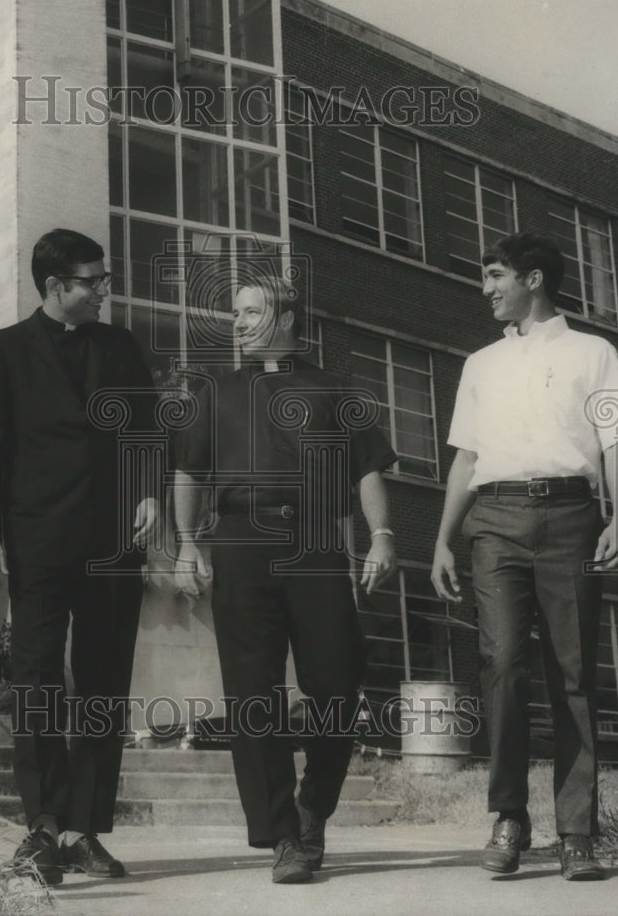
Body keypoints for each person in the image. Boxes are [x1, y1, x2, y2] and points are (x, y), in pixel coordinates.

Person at [430, 232, 618, 881]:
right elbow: (466, 456)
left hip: (572, 519)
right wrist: (442, 537)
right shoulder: (481, 364)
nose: (486, 288)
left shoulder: (593, 352)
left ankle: (578, 831)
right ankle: (509, 817)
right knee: (500, 665)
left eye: (495, 275)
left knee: (573, 671)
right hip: (494, 522)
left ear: (534, 280)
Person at [172, 274, 397, 884]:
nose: (239, 323)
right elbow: (189, 472)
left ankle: (312, 808)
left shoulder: (333, 387)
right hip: (242, 540)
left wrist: (381, 535)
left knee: (336, 682)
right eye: (235, 314)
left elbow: (367, 469)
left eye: (251, 312)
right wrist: (188, 542)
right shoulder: (213, 390)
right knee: (253, 693)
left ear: (289, 317)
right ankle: (283, 836)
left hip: (317, 541)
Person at [0, 228, 159, 886]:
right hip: (37, 544)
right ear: (55, 288)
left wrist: (150, 492)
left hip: (113, 547)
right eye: (93, 282)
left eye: (104, 279)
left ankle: (83, 831)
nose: (105, 290)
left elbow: (147, 432)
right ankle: (43, 827)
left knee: (104, 687)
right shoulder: (3, 352)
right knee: (38, 681)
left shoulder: (121, 347)